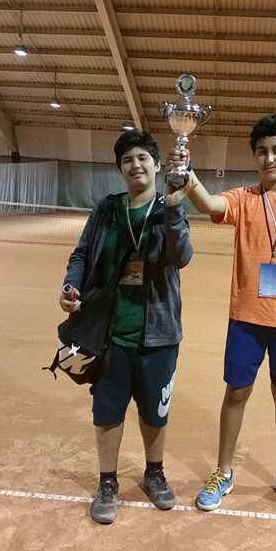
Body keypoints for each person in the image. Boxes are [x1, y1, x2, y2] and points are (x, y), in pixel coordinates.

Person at [167, 114, 276, 515]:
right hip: (246, 317)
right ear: (254, 157)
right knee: (236, 393)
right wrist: (188, 175)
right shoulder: (244, 198)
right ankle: (223, 472)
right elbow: (210, 204)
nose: (269, 158)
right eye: (262, 151)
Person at [59, 130, 192, 524]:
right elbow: (82, 254)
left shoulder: (168, 208)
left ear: (157, 165)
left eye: (142, 158)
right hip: (109, 333)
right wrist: (71, 286)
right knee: (107, 410)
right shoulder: (107, 209)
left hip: (159, 333)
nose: (135, 165)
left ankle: (154, 473)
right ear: (120, 168)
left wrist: (174, 209)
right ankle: (107, 482)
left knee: (155, 412)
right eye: (127, 160)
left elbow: (180, 257)